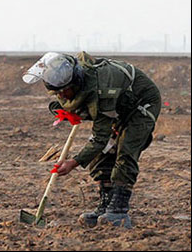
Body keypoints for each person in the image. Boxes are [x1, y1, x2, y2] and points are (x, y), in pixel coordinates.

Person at [23, 51, 161, 229]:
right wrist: (68, 113)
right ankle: (105, 207)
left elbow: (100, 138)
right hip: (117, 107)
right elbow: (80, 108)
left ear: (76, 82)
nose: (63, 96)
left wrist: (73, 162)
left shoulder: (102, 90)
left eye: (65, 91)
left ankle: (118, 210)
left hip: (141, 104)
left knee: (125, 151)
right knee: (99, 158)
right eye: (58, 93)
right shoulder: (70, 79)